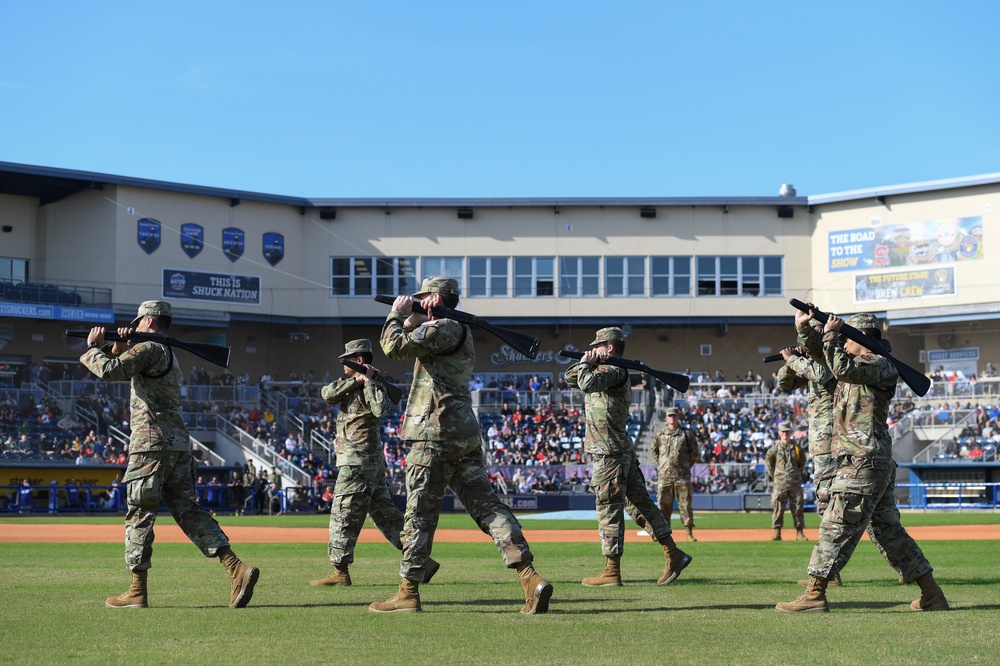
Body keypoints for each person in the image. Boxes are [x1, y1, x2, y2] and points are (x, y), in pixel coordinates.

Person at [372, 276, 551, 614]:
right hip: (462, 434)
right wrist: (416, 317)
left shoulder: (443, 329)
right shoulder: (459, 330)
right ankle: (529, 577)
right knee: (488, 507)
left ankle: (408, 592)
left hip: (433, 434)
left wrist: (396, 315)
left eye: (423, 298)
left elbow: (393, 347)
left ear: (436, 299)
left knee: (419, 517)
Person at [80, 300, 259, 609]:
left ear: (149, 321)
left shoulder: (149, 348)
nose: (134, 326)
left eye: (137, 323)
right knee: (189, 511)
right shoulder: (165, 353)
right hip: (176, 444)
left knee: (140, 514)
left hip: (150, 445)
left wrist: (93, 347)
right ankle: (235, 568)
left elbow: (109, 371)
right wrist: (122, 343)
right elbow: (126, 368)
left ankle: (137, 590)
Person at [776, 308, 949, 613]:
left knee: (836, 524)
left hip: (862, 460)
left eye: (847, 338)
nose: (841, 344)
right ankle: (931, 594)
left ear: (863, 338)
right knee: (888, 531)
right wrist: (804, 329)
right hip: (868, 460)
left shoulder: (878, 364)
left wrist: (829, 335)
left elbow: (841, 367)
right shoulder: (859, 362)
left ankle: (815, 594)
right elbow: (826, 359)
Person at [565, 327, 692, 588]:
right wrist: (586, 362)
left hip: (609, 452)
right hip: (618, 449)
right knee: (640, 504)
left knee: (608, 506)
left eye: (598, 346)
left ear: (609, 348)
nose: (594, 350)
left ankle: (612, 570)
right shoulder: (605, 368)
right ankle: (673, 553)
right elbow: (571, 378)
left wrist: (587, 365)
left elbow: (586, 383)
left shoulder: (613, 371)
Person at [310, 338, 439, 587]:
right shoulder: (347, 383)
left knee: (343, 512)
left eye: (346, 361)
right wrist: (355, 381)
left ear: (359, 360)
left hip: (358, 462)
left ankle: (340, 571)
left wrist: (369, 382)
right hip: (368, 463)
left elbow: (381, 409)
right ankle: (422, 561)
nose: (342, 365)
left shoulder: (375, 386)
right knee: (387, 516)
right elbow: (327, 394)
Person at [649, 406, 700, 542]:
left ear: (678, 417)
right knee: (664, 505)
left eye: (674, 416)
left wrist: (686, 466)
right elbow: (654, 451)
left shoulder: (686, 434)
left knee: (685, 505)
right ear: (666, 418)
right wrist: (662, 465)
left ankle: (689, 532)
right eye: (670, 416)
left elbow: (694, 452)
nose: (672, 418)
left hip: (682, 476)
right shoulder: (660, 435)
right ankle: (664, 534)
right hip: (665, 476)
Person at [765, 422, 808, 542]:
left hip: (795, 483)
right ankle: (777, 533)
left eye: (787, 431)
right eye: (783, 432)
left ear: (790, 433)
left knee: (798, 507)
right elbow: (769, 464)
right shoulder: (774, 450)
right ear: (779, 433)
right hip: (780, 484)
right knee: (778, 508)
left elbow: (802, 464)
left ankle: (800, 533)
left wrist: (795, 474)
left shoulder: (797, 449)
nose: (785, 434)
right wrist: (777, 476)